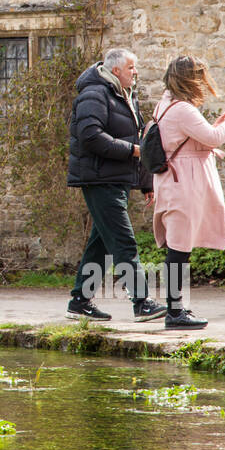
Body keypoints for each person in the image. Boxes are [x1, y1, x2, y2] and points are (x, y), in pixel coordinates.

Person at [66, 47, 166, 322]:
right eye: (131, 67)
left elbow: (142, 139)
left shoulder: (126, 96)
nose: (136, 72)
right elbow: (91, 137)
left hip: (116, 179)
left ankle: (80, 302)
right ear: (116, 70)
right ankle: (142, 302)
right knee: (123, 241)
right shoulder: (93, 94)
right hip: (99, 180)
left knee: (99, 246)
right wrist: (133, 152)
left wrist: (146, 181)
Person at [151, 55, 225, 330]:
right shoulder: (182, 109)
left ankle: (178, 307)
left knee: (179, 246)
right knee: (179, 248)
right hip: (183, 183)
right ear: (190, 79)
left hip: (175, 179)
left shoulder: (166, 104)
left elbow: (191, 139)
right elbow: (214, 137)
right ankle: (175, 312)